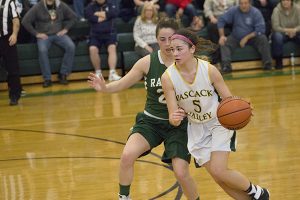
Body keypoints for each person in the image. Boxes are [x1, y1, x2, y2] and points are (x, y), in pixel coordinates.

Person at [88, 18, 200, 200]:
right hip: (151, 122)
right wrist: (105, 88)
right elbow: (124, 83)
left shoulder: (190, 63)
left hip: (179, 126)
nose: (166, 43)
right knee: (127, 156)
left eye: (170, 38)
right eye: (162, 39)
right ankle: (124, 197)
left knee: (181, 173)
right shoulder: (147, 62)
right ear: (156, 40)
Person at [161, 28, 270, 200]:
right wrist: (174, 119)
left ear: (192, 49)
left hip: (219, 122)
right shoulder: (167, 78)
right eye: (171, 50)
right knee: (220, 179)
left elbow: (228, 99)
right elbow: (173, 116)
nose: (175, 53)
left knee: (220, 170)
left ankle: (259, 192)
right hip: (196, 128)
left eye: (179, 49)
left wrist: (242, 107)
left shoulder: (209, 70)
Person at [22, 0, 77, 87]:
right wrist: (36, 34)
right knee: (42, 50)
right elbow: (25, 21)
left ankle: (63, 74)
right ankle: (47, 78)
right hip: (44, 36)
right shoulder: (38, 6)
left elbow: (74, 17)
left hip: (58, 34)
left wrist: (65, 29)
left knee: (71, 46)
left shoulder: (60, 5)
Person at [217, 0, 272, 73]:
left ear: (250, 3)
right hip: (236, 37)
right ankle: (226, 66)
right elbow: (221, 20)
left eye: (245, 3)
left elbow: (261, 29)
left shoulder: (256, 12)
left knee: (263, 38)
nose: (243, 5)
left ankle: (267, 63)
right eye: (241, 3)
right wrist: (222, 36)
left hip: (252, 37)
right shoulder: (234, 10)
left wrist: (246, 38)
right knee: (224, 42)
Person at [85, 0, 122, 81]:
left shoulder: (111, 4)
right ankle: (98, 73)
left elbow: (115, 13)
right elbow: (90, 16)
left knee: (112, 47)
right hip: (95, 34)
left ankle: (112, 73)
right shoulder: (90, 7)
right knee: (92, 49)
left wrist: (99, 14)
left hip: (110, 33)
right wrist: (106, 16)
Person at [0, 0, 23, 105]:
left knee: (12, 68)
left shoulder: (9, 2)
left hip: (7, 39)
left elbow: (15, 20)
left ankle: (14, 96)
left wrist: (14, 34)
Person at [271, 0, 300, 69]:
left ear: (291, 1)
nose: (285, 2)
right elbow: (275, 27)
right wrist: (287, 31)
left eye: (287, 0)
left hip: (296, 32)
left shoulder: (298, 9)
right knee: (277, 36)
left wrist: (294, 30)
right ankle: (278, 62)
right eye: (283, 0)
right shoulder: (276, 10)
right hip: (282, 34)